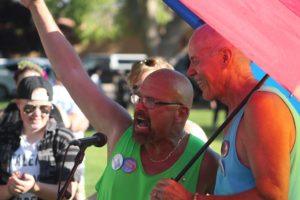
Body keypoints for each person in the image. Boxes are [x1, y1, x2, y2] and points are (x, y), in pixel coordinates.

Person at [18, 1, 218, 199]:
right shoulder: (121, 130)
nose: (139, 107)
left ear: (180, 113)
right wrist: (36, 5)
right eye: (138, 97)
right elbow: (72, 72)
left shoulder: (205, 163)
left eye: (151, 101)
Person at [151, 25, 300, 199]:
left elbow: (273, 196)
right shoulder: (239, 110)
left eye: (196, 60)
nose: (190, 71)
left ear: (225, 57)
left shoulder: (262, 106)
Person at [0, 76, 80, 199]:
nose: (37, 114)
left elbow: (67, 193)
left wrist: (34, 187)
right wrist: (9, 189)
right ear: (18, 104)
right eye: (29, 108)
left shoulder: (64, 140)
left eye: (44, 109)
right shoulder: (4, 137)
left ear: (51, 107)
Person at [127, 57, 208, 142]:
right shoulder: (126, 133)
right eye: (135, 89)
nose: (140, 102)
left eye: (150, 89)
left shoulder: (191, 135)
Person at [52, 77, 89, 200]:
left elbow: (81, 123)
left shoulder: (77, 90)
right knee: (73, 193)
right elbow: (76, 123)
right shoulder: (56, 91)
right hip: (65, 151)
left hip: (75, 152)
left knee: (75, 192)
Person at [0, 60, 64, 127]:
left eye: (35, 81)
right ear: (17, 84)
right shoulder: (9, 112)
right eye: (25, 82)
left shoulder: (52, 111)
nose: (31, 86)